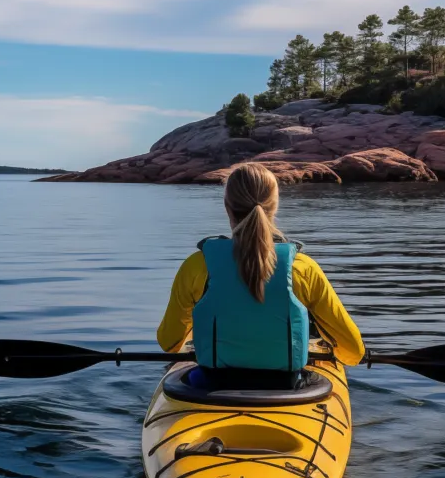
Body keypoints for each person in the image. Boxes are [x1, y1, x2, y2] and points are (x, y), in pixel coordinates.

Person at [156, 163, 365, 389]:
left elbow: (170, 343)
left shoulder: (197, 266)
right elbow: (353, 352)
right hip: (287, 387)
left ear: (227, 207)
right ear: (274, 207)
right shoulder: (303, 268)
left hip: (211, 384)